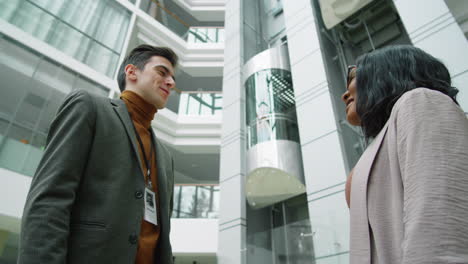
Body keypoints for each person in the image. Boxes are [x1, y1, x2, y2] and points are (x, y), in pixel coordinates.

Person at [18, 44, 178, 264]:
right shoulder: (89, 108)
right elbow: (49, 200)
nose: (171, 82)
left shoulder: (165, 156)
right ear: (131, 72)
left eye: (173, 78)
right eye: (162, 72)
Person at [342, 45, 468, 264]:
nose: (344, 94)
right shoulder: (381, 142)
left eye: (354, 77)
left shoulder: (422, 102)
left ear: (387, 72)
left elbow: (441, 230)